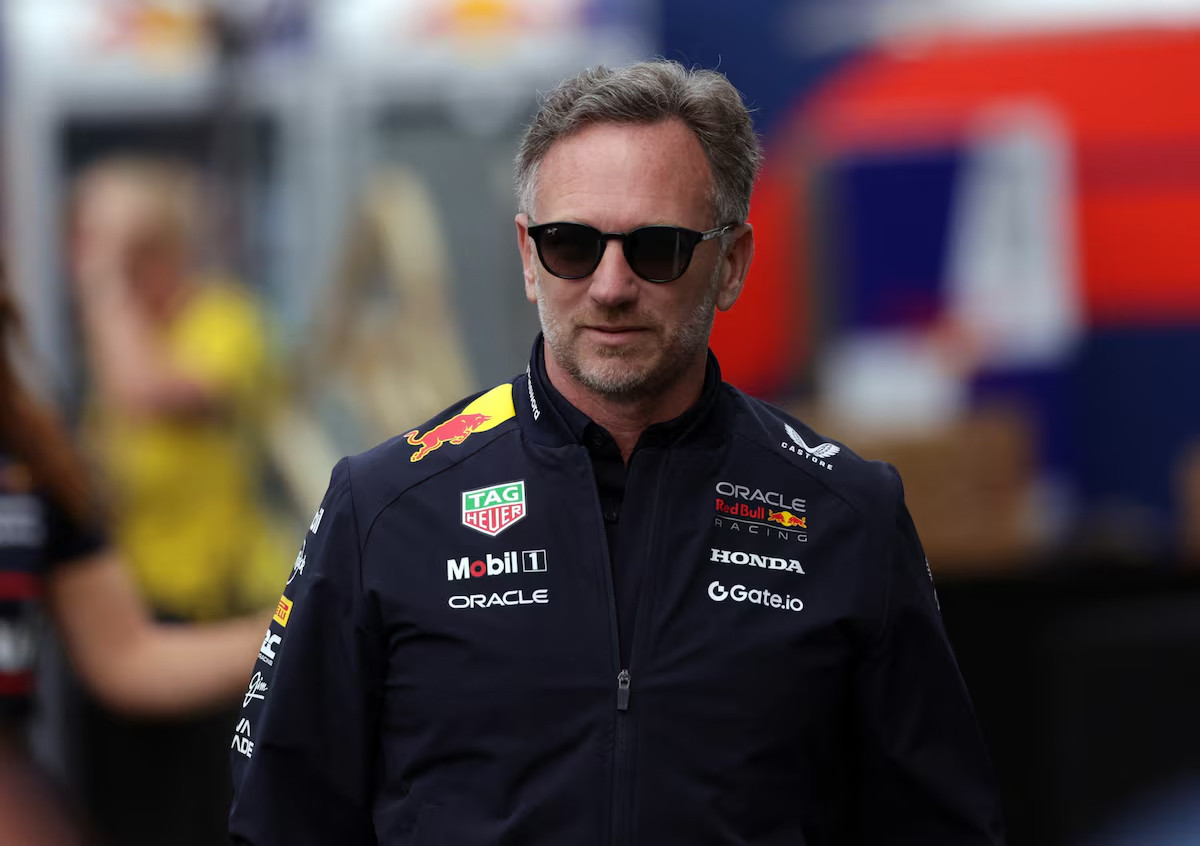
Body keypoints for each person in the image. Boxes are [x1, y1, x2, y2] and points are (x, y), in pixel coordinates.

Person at [229, 60, 1006, 844]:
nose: (610, 285)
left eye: (656, 248)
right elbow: (278, 821)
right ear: (528, 257)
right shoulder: (383, 507)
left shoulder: (850, 514)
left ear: (731, 263)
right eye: (571, 244)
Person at [67, 155, 288, 845]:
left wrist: (101, 287)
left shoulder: (225, 322)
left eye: (128, 254)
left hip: (212, 621)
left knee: (212, 818)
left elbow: (148, 394)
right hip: (127, 615)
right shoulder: (122, 341)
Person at [0, 267, 266, 830]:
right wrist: (106, 288)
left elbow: (125, 654)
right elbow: (137, 390)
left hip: (202, 600)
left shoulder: (32, 456)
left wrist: (314, 620)